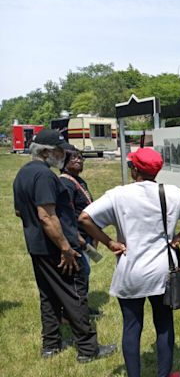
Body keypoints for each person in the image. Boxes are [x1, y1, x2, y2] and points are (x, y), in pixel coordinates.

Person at [79, 147, 180, 377]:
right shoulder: (171, 192)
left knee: (131, 327)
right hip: (162, 270)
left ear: (135, 170)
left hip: (131, 269)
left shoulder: (118, 195)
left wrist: (110, 243)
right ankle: (164, 374)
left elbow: (85, 217)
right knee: (164, 324)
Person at [12, 129, 117, 362]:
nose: (63, 154)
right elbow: (47, 216)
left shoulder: (23, 173)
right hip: (57, 250)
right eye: (60, 150)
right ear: (47, 152)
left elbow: (21, 211)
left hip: (37, 247)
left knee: (48, 296)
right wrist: (65, 248)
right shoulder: (45, 176)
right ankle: (88, 350)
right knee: (75, 295)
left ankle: (51, 345)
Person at [59, 148, 101, 316]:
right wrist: (76, 237)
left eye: (81, 157)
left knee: (84, 272)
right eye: (73, 157)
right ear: (63, 162)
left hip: (86, 236)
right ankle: (72, 312)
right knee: (78, 273)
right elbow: (64, 215)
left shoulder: (78, 181)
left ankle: (80, 307)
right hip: (75, 238)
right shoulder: (64, 183)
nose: (79, 160)